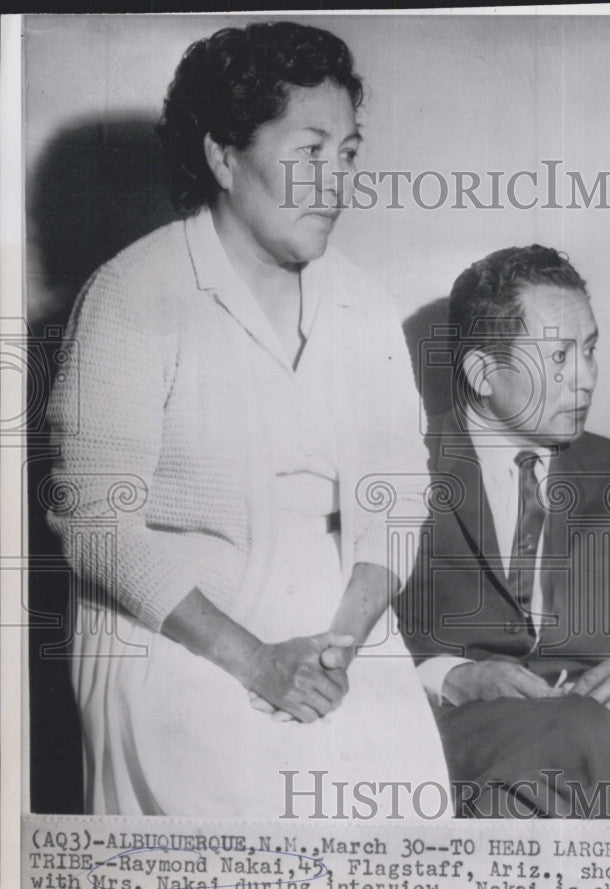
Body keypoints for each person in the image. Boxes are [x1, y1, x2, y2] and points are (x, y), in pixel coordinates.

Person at [46, 21, 448, 817]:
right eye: (308, 152)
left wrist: (341, 643)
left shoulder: (362, 306)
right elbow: (97, 523)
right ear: (223, 157)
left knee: (405, 810)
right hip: (174, 632)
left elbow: (398, 495)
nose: (335, 183)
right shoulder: (130, 296)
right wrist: (260, 662)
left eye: (349, 154)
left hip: (339, 629)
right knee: (241, 812)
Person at [397, 245, 610, 819]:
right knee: (582, 734)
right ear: (483, 373)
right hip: (437, 746)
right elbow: (332, 633)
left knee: (576, 740)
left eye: (589, 350)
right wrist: (453, 677)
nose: (585, 379)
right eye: (557, 357)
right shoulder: (402, 463)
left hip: (575, 769)